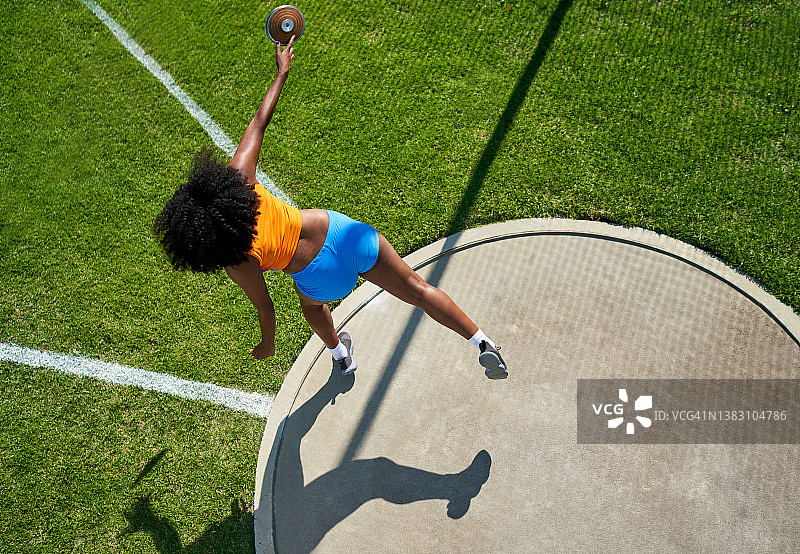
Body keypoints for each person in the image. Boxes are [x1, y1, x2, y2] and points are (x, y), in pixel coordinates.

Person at [153, 37, 507, 379]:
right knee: (417, 288)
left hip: (323, 279)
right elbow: (259, 122)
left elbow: (266, 308)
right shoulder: (241, 179)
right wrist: (281, 72)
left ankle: (340, 354)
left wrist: (267, 344)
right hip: (346, 234)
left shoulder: (238, 261)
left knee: (311, 306)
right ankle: (480, 340)